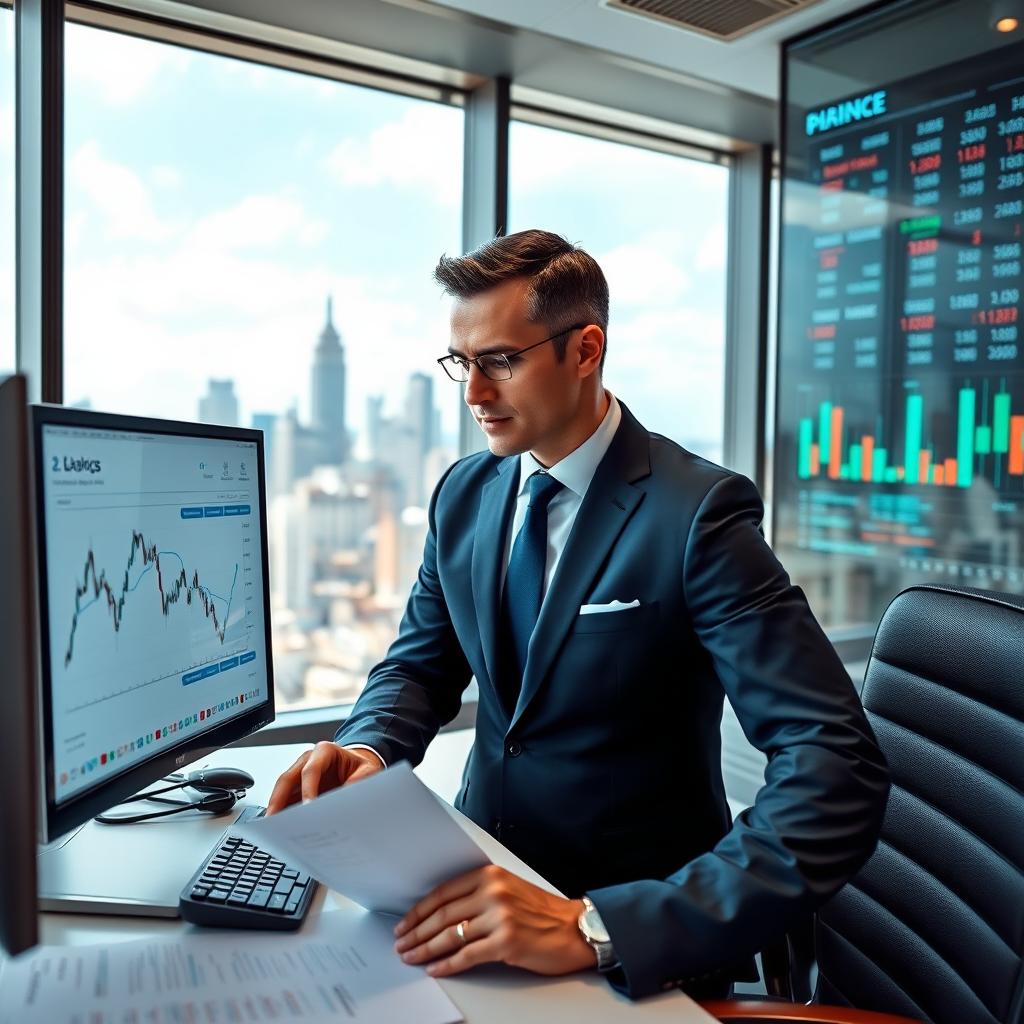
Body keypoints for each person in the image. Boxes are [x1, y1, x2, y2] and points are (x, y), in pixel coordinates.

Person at [267, 229, 890, 999]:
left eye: (501, 360)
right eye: (462, 363)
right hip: (476, 899)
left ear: (585, 349)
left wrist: (598, 926)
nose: (473, 394)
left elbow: (837, 766)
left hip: (624, 947)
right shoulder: (464, 493)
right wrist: (366, 748)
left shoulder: (698, 513)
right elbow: (421, 664)